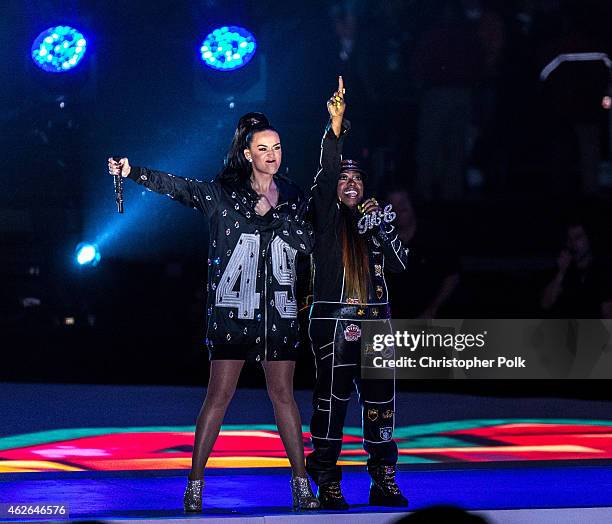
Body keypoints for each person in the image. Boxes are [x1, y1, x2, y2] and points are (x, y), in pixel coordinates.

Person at [107, 112, 320, 512]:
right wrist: (133, 171)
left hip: (279, 312)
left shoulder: (293, 195)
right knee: (218, 395)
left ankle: (300, 483)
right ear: (247, 153)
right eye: (263, 149)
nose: (271, 155)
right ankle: (194, 482)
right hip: (234, 313)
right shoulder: (222, 195)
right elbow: (179, 187)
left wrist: (279, 226)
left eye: (276, 148)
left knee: (283, 395)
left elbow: (311, 242)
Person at [305, 77, 409, 509]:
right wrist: (336, 125)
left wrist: (383, 229)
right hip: (335, 323)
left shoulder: (374, 221)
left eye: (357, 179)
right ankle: (327, 478)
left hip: (377, 325)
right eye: (344, 179)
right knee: (332, 405)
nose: (349, 184)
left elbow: (404, 266)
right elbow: (327, 173)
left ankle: (383, 478)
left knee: (382, 406)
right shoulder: (326, 222)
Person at [541, 221, 612, 318]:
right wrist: (561, 272)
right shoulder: (563, 270)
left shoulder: (603, 272)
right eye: (570, 239)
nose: (573, 243)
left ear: (589, 239)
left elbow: (607, 312)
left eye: (578, 237)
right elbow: (546, 304)